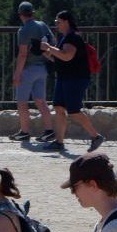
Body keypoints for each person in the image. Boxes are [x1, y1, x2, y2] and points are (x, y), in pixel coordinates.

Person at [41, 12, 101, 154]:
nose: (56, 24)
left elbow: (67, 56)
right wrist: (43, 51)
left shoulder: (73, 37)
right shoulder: (65, 38)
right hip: (64, 78)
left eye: (58, 22)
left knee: (73, 111)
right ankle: (59, 142)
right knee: (59, 107)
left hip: (75, 78)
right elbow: (59, 59)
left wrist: (49, 47)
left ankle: (95, 136)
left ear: (66, 21)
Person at [13, 1, 54, 144]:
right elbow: (52, 42)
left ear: (20, 15)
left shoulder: (23, 31)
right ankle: (49, 131)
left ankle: (24, 132)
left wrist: (17, 73)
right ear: (32, 13)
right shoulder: (42, 25)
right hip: (42, 68)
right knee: (40, 101)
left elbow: (23, 54)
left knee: (22, 102)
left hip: (28, 69)